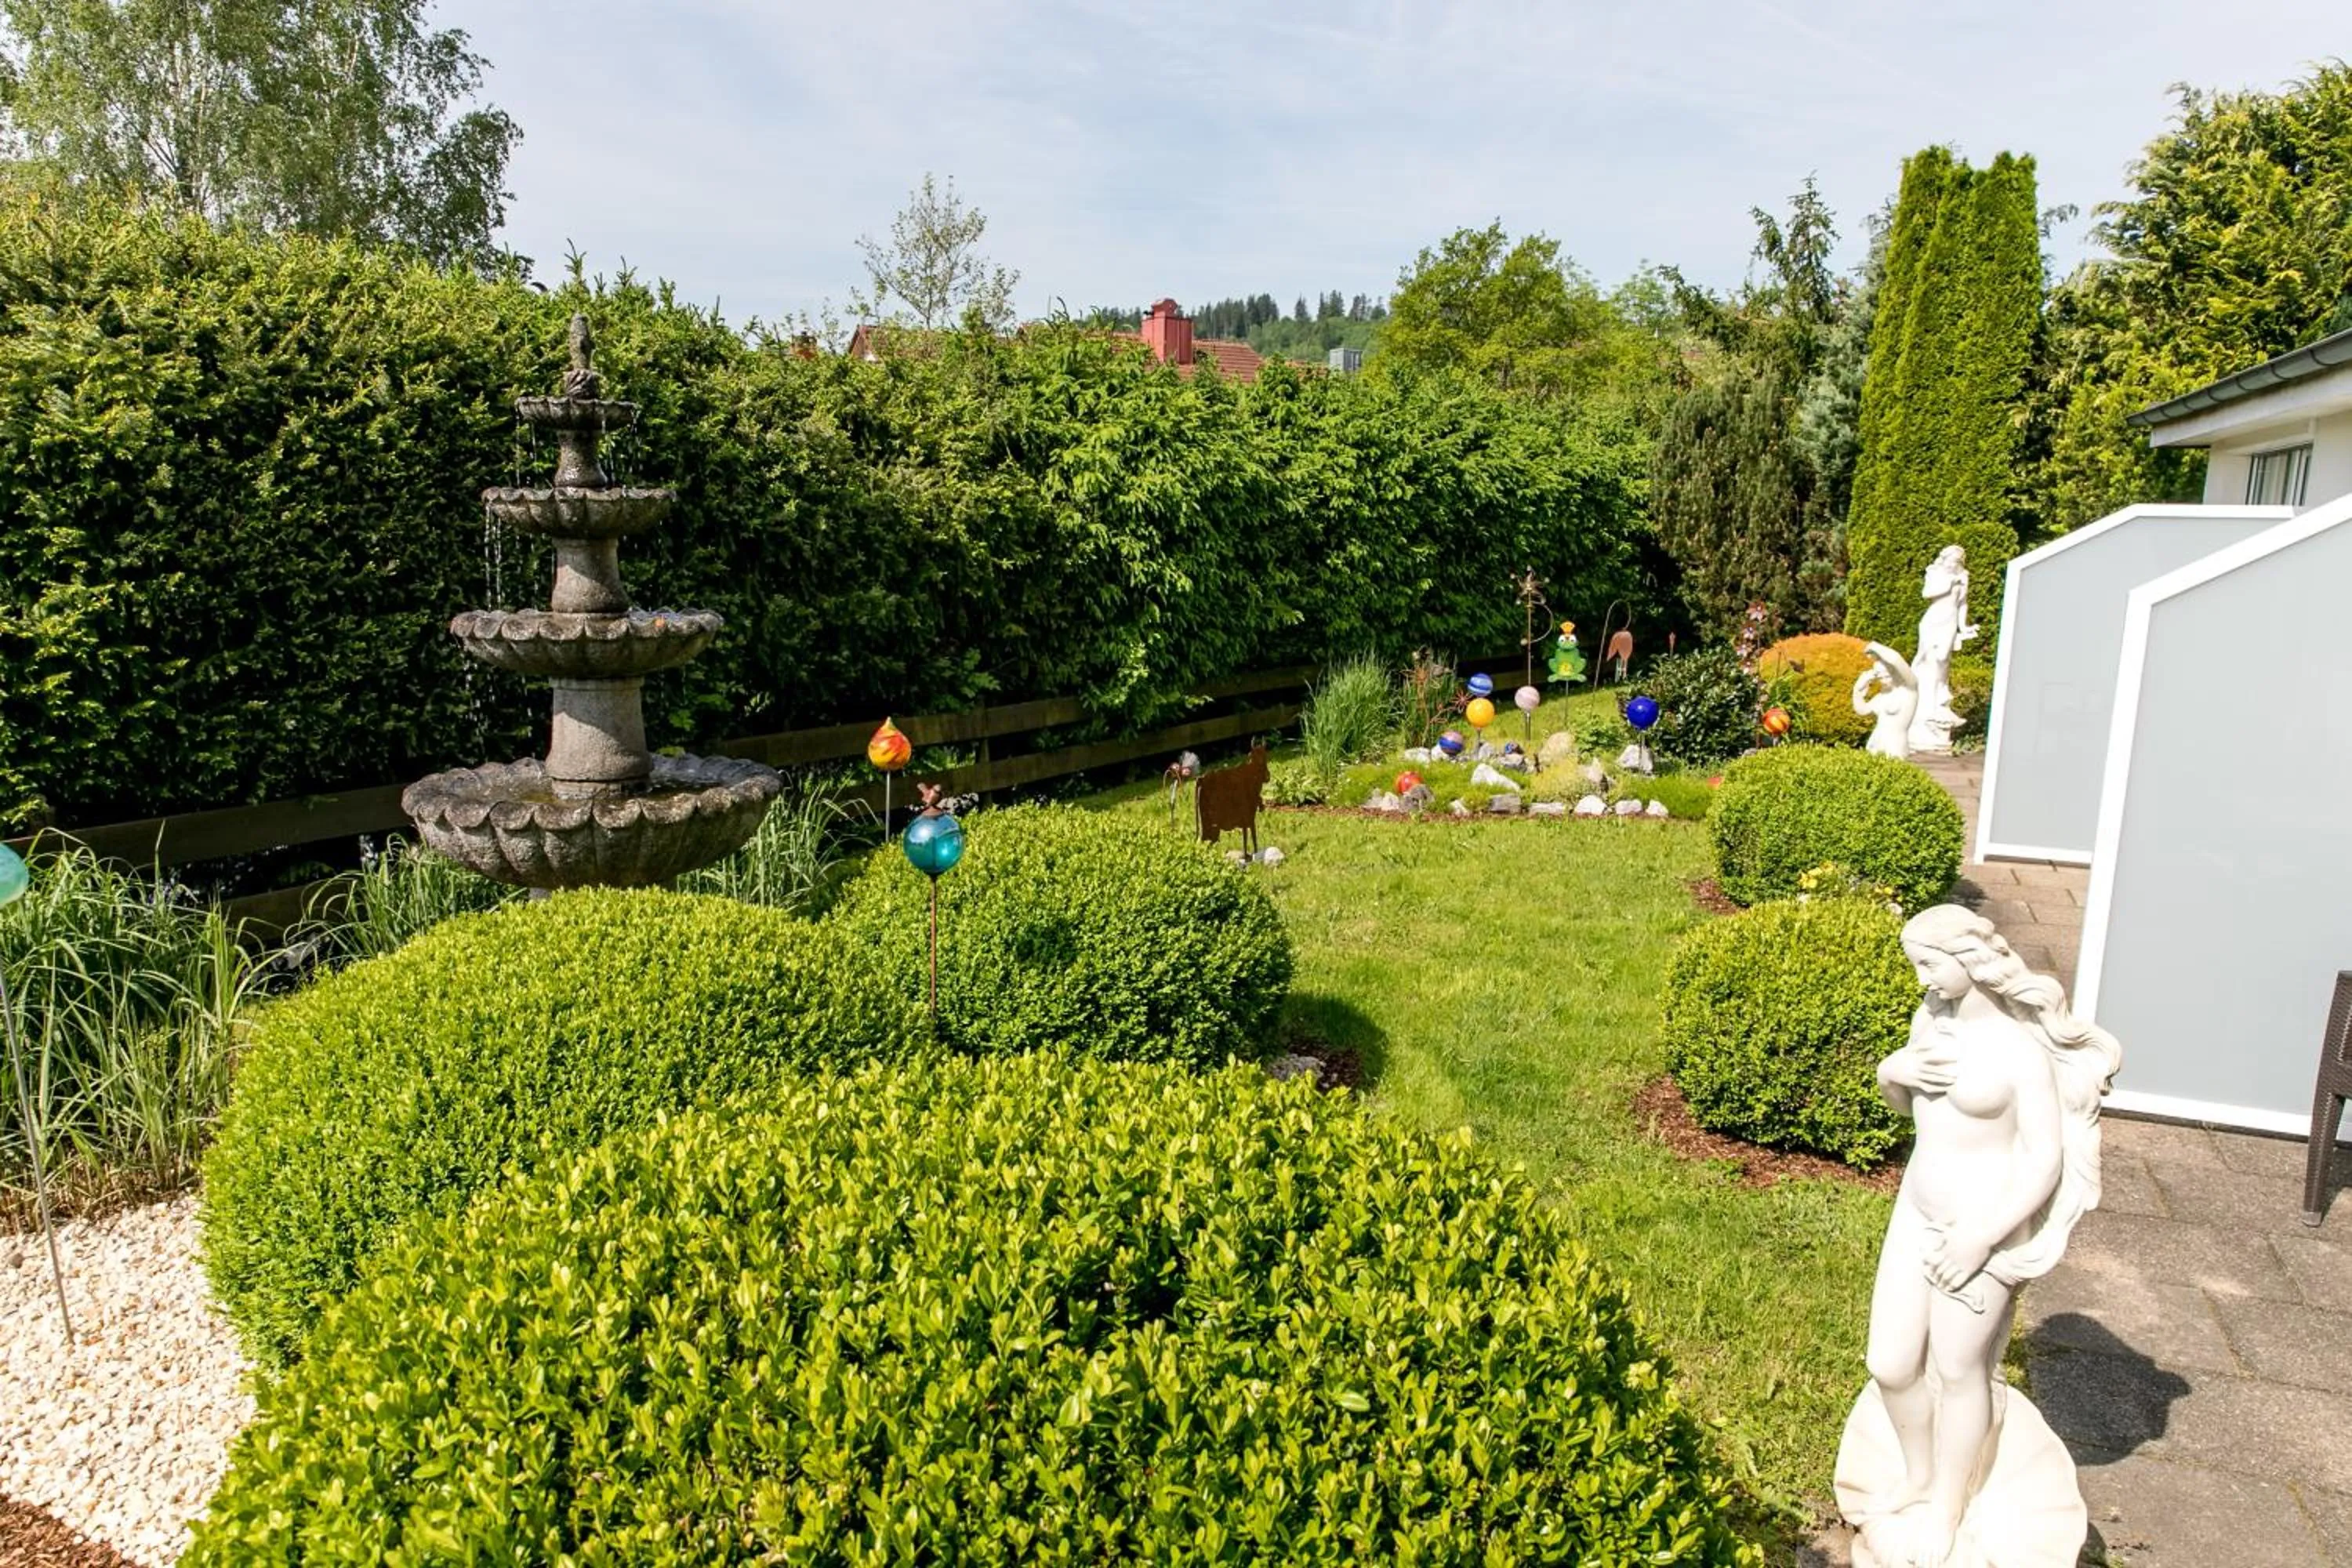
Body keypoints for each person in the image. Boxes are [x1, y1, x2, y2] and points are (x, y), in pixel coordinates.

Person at [1853, 906, 2121, 1568]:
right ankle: (1918, 1475)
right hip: (1915, 1211)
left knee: (1959, 1369)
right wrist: (1894, 1073)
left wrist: (1981, 1237)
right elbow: (1912, 1109)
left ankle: (1946, 1509)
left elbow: (2042, 1160)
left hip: (1981, 1229)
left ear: (1969, 961)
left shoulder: (2018, 1048)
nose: (1921, 979)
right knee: (1889, 1362)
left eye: (1929, 964)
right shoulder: (1930, 1019)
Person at [1909, 546, 1979, 753]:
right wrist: (1949, 583)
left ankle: (1939, 698)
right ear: (1945, 559)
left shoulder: (1963, 576)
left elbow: (1962, 604)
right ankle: (1925, 707)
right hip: (1933, 619)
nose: (1953, 564)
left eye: (1957, 561)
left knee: (1941, 660)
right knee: (1928, 660)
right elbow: (1927, 593)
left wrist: (1964, 626)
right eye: (1950, 560)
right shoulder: (1936, 573)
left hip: (1949, 621)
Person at [1852, 642, 1919, 761]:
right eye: (1880, 677)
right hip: (1876, 742)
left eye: (1887, 676)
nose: (1883, 681)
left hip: (1895, 745)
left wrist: (1876, 647)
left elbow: (1896, 660)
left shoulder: (1909, 690)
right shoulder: (1882, 696)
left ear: (1895, 673)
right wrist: (1857, 690)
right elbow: (1862, 710)